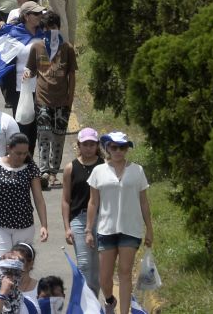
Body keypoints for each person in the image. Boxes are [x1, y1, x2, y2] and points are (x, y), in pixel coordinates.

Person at [85, 132, 153, 314]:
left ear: (127, 149)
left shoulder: (137, 170)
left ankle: (124, 312)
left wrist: (149, 230)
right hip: (106, 229)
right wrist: (88, 230)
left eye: (122, 147)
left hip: (130, 229)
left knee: (125, 273)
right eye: (114, 147)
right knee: (104, 278)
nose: (118, 151)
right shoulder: (98, 171)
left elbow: (144, 202)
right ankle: (109, 300)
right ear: (107, 148)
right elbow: (93, 202)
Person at [0, 133, 48, 269]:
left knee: (21, 269)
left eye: (25, 153)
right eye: (18, 153)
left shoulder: (31, 168)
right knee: (2, 269)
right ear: (8, 149)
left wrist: (44, 225)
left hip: (24, 225)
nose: (22, 157)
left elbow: (39, 199)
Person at [24, 11, 77, 188]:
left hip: (62, 99)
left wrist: (70, 98)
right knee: (44, 134)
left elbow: (71, 75)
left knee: (59, 136)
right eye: (46, 28)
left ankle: (55, 171)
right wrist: (27, 73)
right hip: (42, 98)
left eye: (53, 28)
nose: (50, 31)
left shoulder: (67, 48)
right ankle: (44, 171)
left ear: (58, 28)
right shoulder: (37, 47)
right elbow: (31, 69)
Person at [60, 128, 103, 292]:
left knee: (98, 267)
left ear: (97, 145)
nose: (89, 148)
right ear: (79, 145)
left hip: (101, 218)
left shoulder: (104, 165)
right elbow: (65, 200)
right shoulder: (71, 168)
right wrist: (67, 228)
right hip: (79, 218)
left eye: (92, 144)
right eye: (85, 144)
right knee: (84, 264)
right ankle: (87, 304)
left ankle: (94, 300)